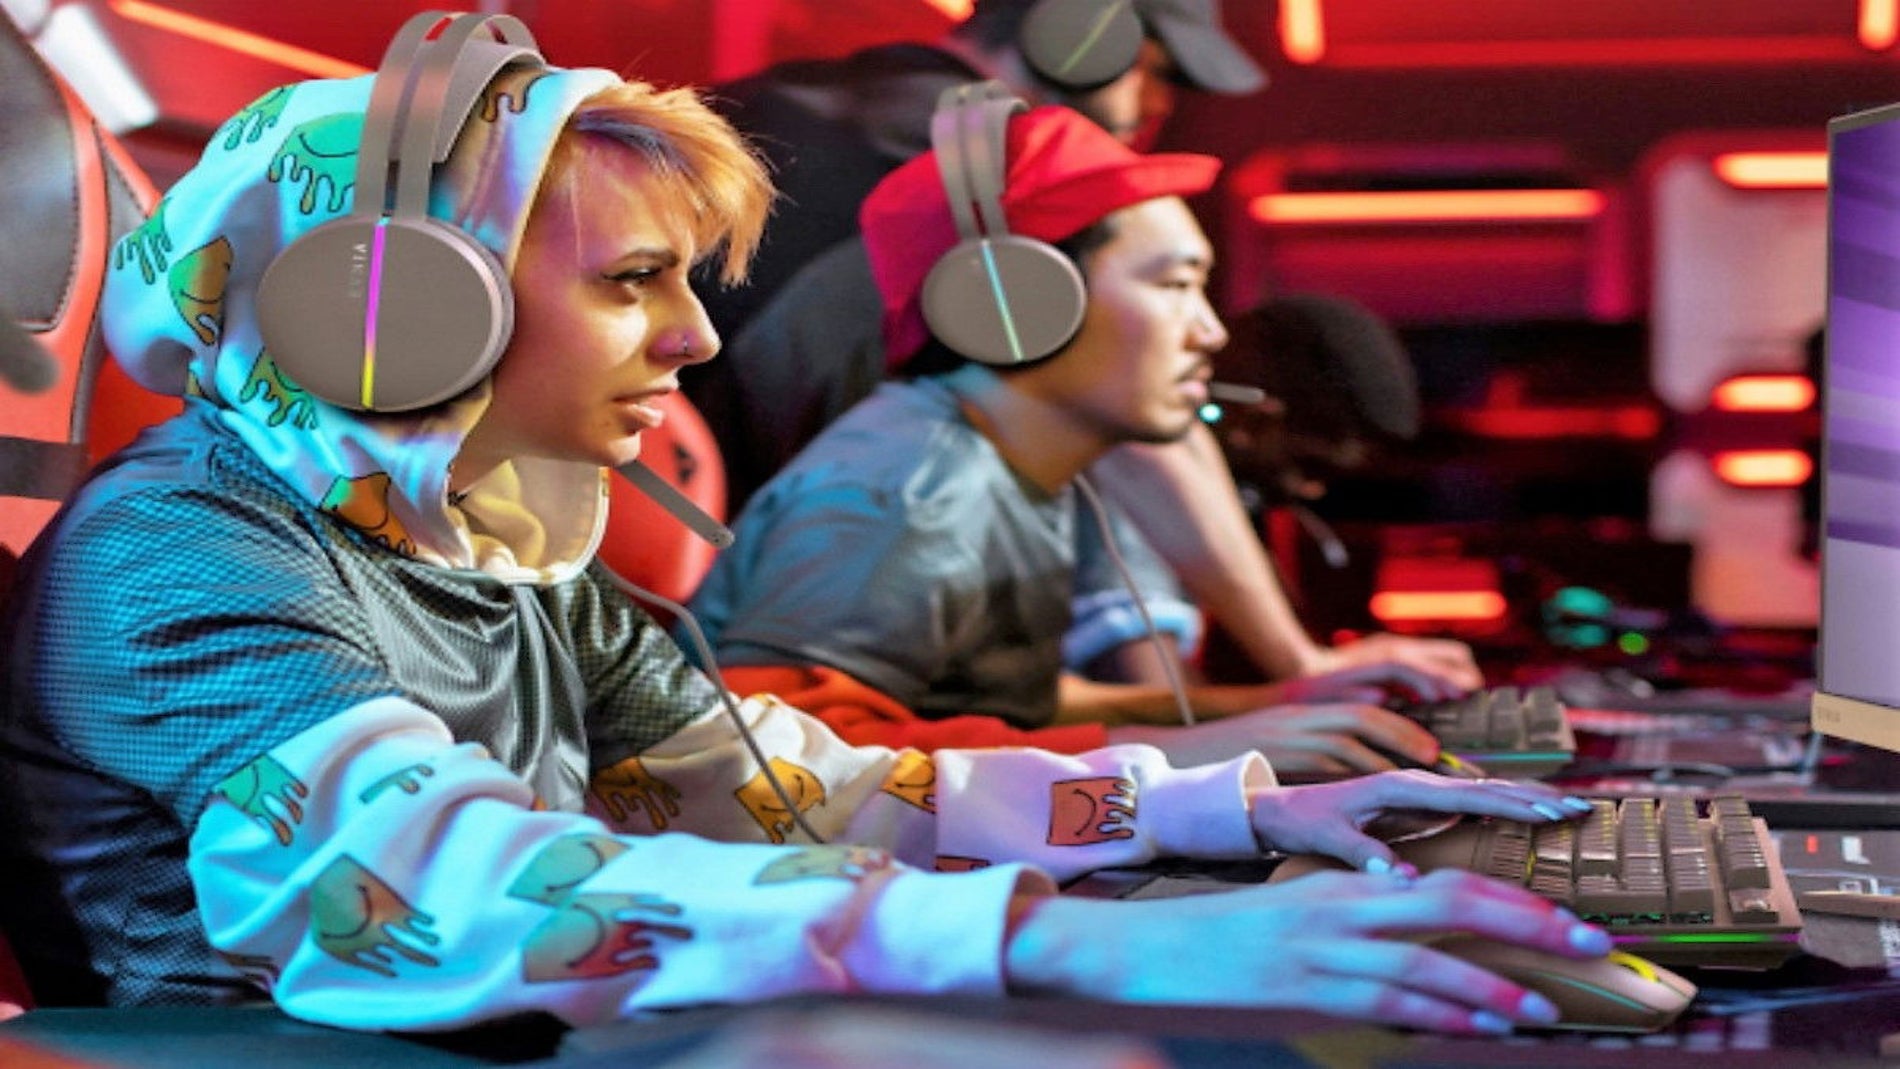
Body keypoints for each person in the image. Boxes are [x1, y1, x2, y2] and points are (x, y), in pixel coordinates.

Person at [0, 14, 1605, 1037]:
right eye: (639, 282)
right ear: (404, 312)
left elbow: (787, 793)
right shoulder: (183, 554)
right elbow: (446, 890)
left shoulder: (494, 545)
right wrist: (1085, 947)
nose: (696, 337)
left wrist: (1223, 812)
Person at [689, 0, 1483, 696]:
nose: (1159, 105)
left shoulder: (803, 106)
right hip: (761, 615)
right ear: (1076, 36)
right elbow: (1134, 425)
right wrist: (1298, 667)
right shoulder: (984, 163)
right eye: (1156, 71)